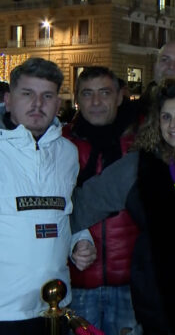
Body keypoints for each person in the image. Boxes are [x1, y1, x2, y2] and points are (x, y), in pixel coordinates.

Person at [72, 78, 175, 333]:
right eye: (165, 117)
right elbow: (83, 203)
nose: (173, 125)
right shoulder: (141, 166)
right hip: (158, 302)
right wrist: (76, 239)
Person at [0, 58, 95, 333]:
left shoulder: (67, 153)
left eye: (47, 96)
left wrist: (81, 240)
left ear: (57, 103)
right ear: (8, 99)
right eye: (27, 94)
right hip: (6, 311)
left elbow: (65, 210)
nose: (37, 104)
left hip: (54, 306)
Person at [64, 67, 140, 335]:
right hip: (78, 284)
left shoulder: (142, 144)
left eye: (104, 93)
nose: (96, 102)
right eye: (87, 94)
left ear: (120, 97)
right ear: (77, 99)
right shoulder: (62, 144)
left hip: (131, 286)